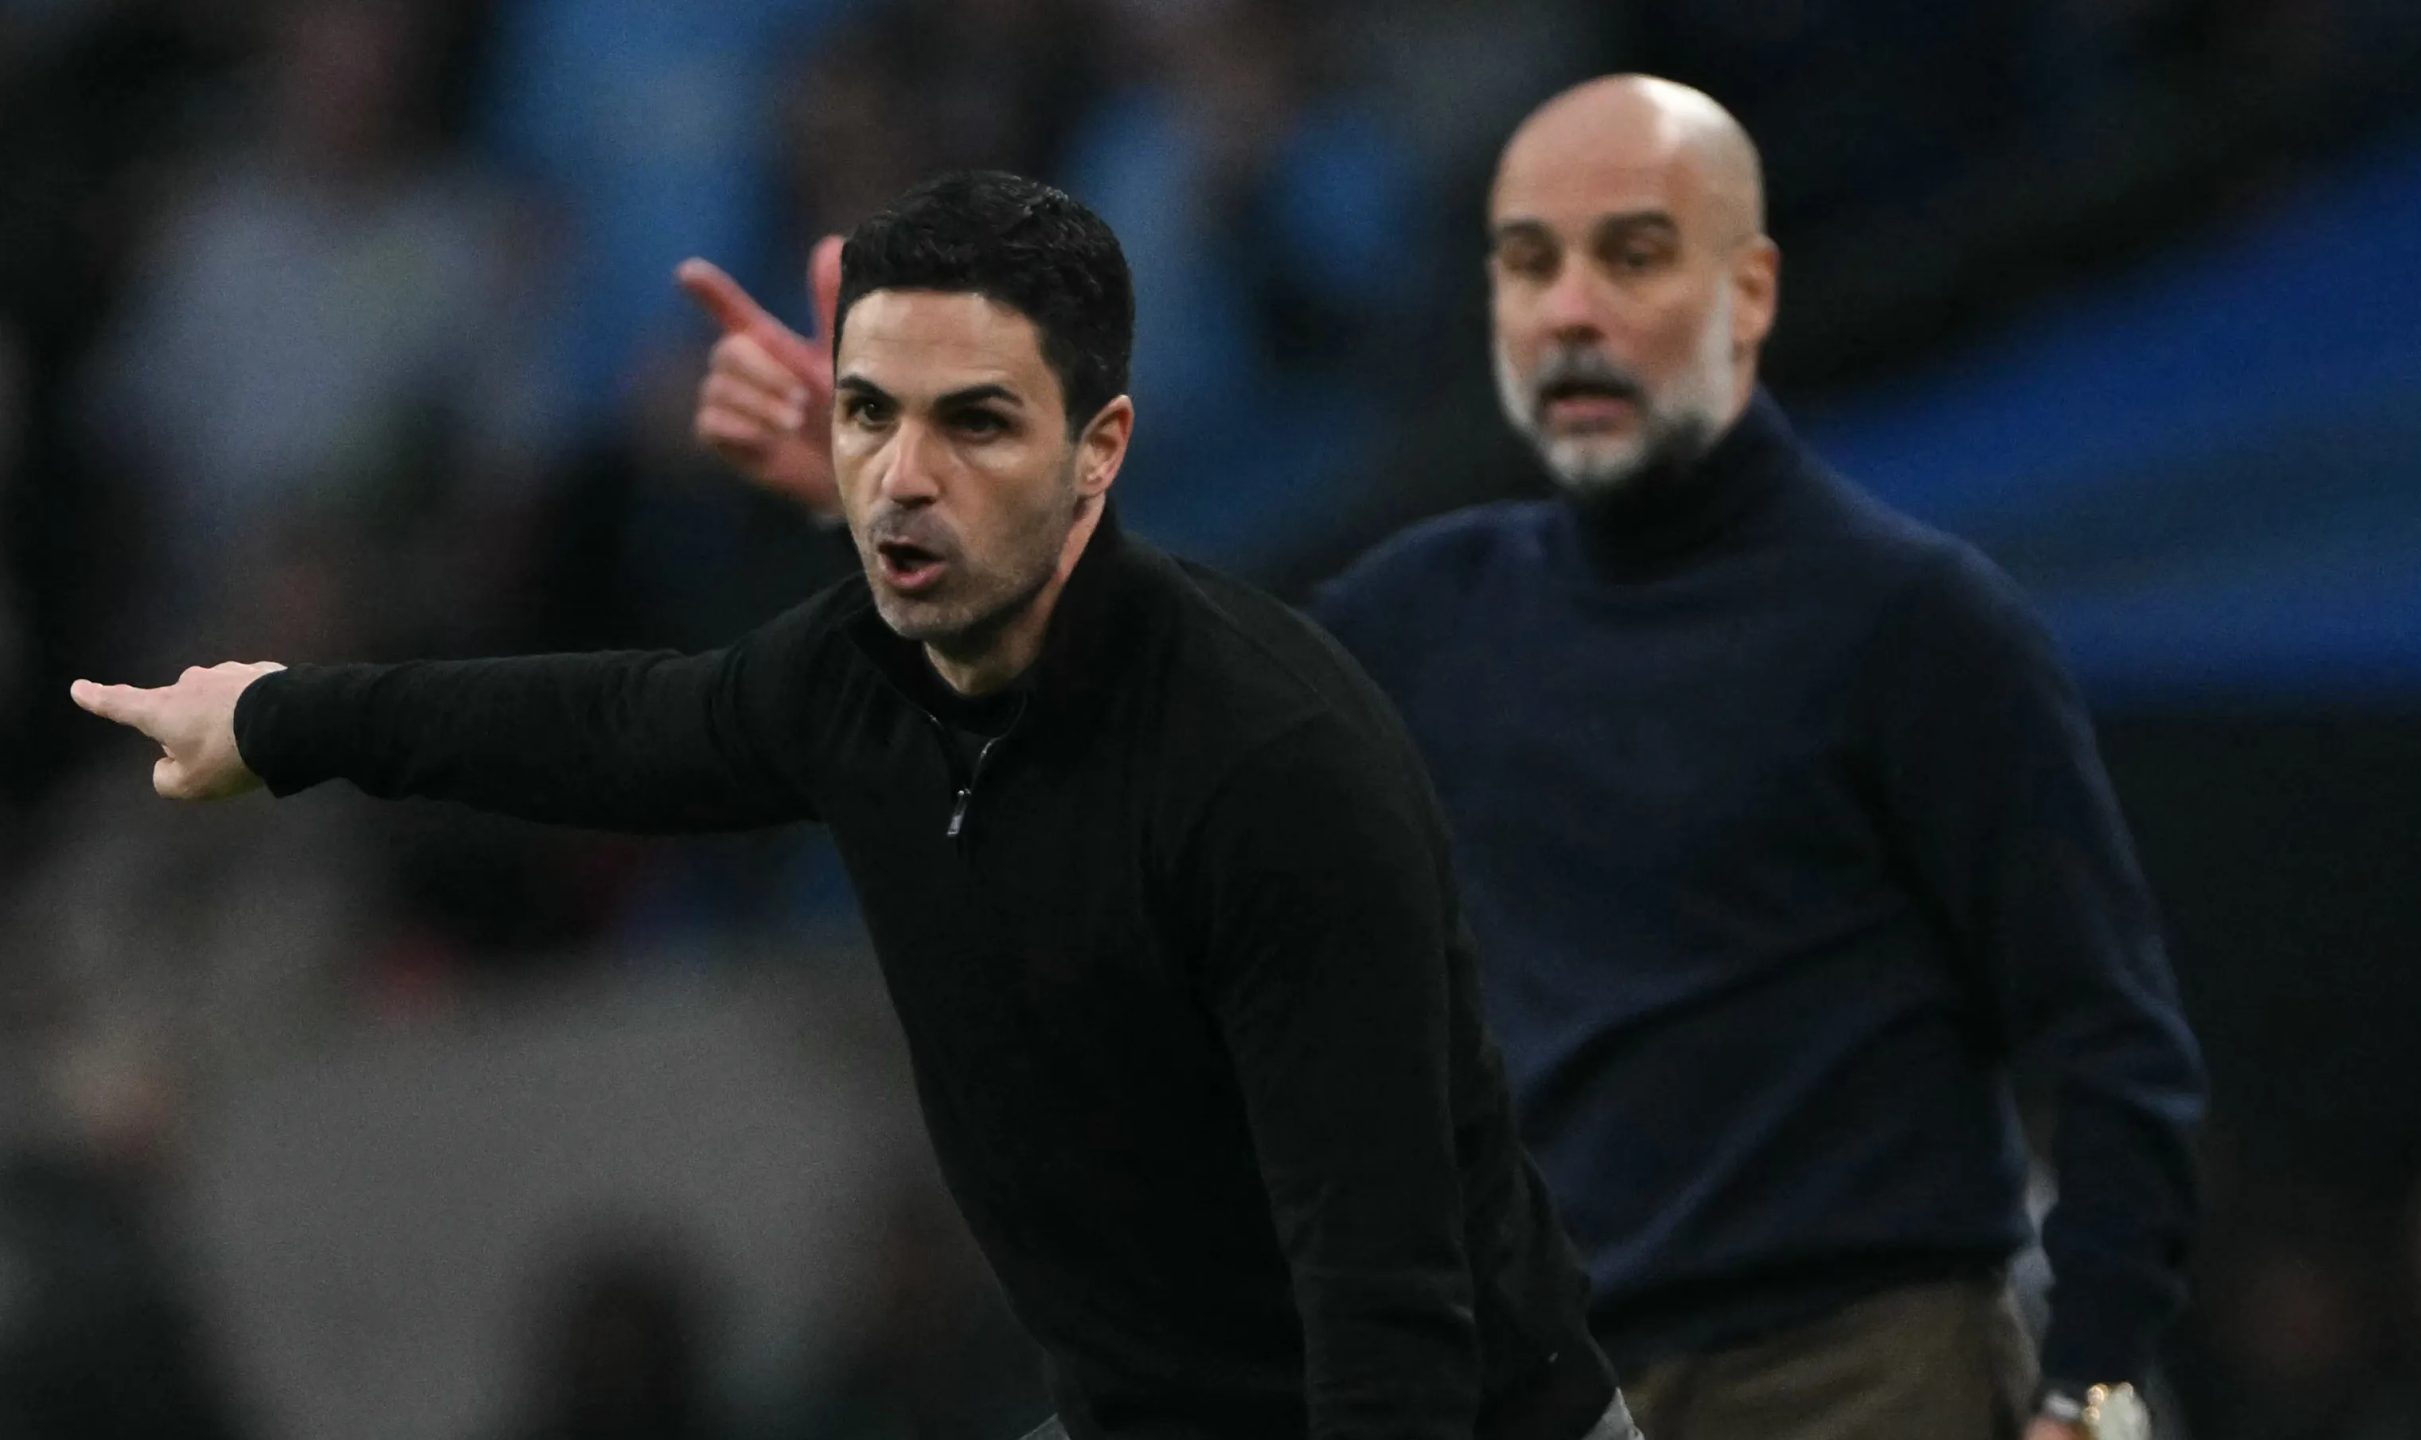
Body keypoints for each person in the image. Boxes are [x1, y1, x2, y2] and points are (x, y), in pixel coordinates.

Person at [679, 80, 2206, 1440]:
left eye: (1631, 256)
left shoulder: (1916, 624)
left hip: (1849, 1375)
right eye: (1529, 262)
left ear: (1748, 290)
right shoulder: (1420, 616)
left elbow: (2112, 1049)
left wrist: (2092, 1387)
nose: (1571, 310)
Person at [71, 170, 1633, 1440]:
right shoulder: (860, 675)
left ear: (1100, 452)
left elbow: (1388, 1307)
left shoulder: (1269, 766)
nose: (899, 478)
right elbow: (612, 727)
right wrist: (280, 717)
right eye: (871, 414)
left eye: (975, 422)